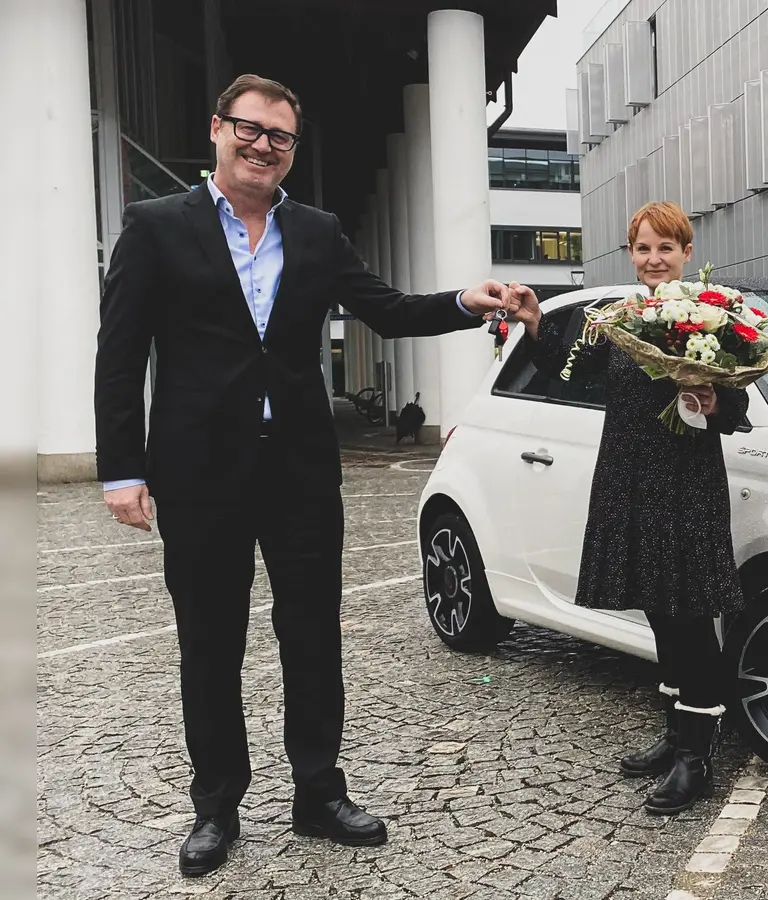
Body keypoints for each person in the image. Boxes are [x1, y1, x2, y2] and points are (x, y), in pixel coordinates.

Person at [94, 74, 522, 877]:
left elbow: (388, 309)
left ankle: (319, 793)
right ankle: (216, 806)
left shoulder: (318, 232)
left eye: (280, 138)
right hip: (197, 472)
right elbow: (119, 358)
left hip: (297, 469)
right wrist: (122, 469)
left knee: (313, 634)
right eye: (250, 130)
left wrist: (468, 299)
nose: (263, 147)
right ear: (218, 128)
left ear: (293, 150)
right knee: (210, 642)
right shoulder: (154, 226)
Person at [504, 201, 749, 815]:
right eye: (643, 248)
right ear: (630, 254)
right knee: (660, 614)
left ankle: (697, 757)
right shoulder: (612, 318)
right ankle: (675, 737)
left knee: (690, 619)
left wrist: (708, 397)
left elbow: (738, 413)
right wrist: (535, 325)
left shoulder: (711, 317)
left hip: (685, 484)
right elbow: (564, 373)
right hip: (629, 479)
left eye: (666, 248)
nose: (654, 259)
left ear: (686, 253)